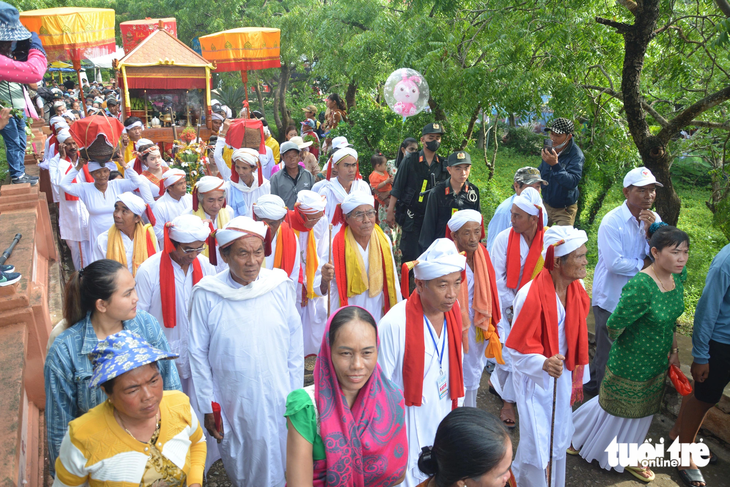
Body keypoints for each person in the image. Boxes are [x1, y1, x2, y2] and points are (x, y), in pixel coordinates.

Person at [189, 216, 303, 487]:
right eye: (243, 253)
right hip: (233, 399)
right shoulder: (207, 294)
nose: (252, 261)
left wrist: (295, 393)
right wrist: (208, 406)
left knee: (283, 455)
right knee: (244, 459)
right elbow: (197, 353)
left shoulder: (277, 285)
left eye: (258, 251)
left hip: (279, 393)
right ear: (225, 255)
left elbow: (294, 345)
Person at [571, 225, 689, 483]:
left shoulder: (677, 278)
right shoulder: (641, 286)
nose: (682, 258)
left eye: (686, 252)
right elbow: (614, 325)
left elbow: (671, 321)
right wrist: (632, 347)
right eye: (676, 252)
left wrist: (674, 350)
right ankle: (599, 446)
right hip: (631, 360)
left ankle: (610, 445)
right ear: (655, 252)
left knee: (643, 410)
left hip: (657, 360)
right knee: (617, 407)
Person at [44, 259, 181, 476]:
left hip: (155, 453)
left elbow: (172, 386)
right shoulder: (66, 350)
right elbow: (60, 424)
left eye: (134, 289)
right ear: (102, 304)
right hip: (103, 463)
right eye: (127, 294)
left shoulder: (146, 325)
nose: (136, 298)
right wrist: (65, 475)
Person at [53, 330, 206, 487]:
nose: (148, 395)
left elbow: (197, 443)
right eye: (132, 390)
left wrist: (194, 482)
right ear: (107, 392)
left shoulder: (179, 404)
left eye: (153, 380)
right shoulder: (82, 437)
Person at [505, 226, 590, 487]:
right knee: (536, 441)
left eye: (585, 255)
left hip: (563, 378)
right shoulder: (529, 295)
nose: (586, 261)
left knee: (558, 437)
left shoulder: (577, 290)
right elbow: (516, 350)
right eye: (579, 256)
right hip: (536, 381)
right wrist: (542, 363)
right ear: (557, 261)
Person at [285, 306, 408, 487]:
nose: (357, 365)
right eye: (345, 353)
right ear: (328, 351)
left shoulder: (392, 398)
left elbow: (398, 473)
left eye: (367, 353)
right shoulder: (307, 407)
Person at [135, 214, 220, 473]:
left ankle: (202, 465)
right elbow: (140, 319)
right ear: (172, 243)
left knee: (202, 405)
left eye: (198, 248)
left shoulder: (205, 265)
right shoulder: (149, 270)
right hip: (164, 356)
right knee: (168, 411)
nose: (193, 255)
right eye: (187, 249)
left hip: (198, 352)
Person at [378, 238, 466, 487]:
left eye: (456, 283)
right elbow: (379, 391)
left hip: (443, 410)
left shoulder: (454, 311)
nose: (451, 294)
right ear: (420, 284)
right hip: (407, 423)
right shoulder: (394, 323)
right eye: (442, 285)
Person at [585, 167, 662, 395]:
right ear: (626, 192)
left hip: (638, 301)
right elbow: (615, 263)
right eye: (642, 190)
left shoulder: (655, 219)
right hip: (612, 299)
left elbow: (665, 254)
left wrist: (651, 233)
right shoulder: (612, 222)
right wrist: (647, 265)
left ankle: (589, 387)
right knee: (608, 355)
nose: (649, 196)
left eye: (652, 190)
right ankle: (603, 404)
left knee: (625, 352)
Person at [669, 242, 730, 487]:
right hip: (722, 343)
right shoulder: (725, 262)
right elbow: (706, 309)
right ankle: (684, 456)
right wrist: (702, 355)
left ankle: (679, 436)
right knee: (705, 398)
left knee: (701, 393)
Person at [489, 186, 545, 429]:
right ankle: (508, 402)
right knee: (508, 354)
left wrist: (532, 308)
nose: (512, 220)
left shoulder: (548, 242)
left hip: (537, 309)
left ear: (534, 218)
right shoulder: (504, 239)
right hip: (507, 307)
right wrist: (513, 308)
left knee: (528, 354)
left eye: (517, 216)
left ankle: (507, 391)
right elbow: (497, 278)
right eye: (511, 214)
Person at [60, 118, 146, 266]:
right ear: (92, 175)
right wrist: (78, 167)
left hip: (119, 229)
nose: (103, 176)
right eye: (98, 173)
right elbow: (64, 185)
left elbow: (137, 182)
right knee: (102, 262)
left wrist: (123, 164)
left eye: (105, 171)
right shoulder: (85, 189)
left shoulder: (116, 185)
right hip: (96, 232)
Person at [446, 210, 503, 409]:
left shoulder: (482, 253)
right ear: (454, 236)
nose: (473, 238)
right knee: (455, 368)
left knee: (474, 367)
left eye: (477, 232)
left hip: (478, 322)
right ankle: (454, 410)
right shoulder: (448, 257)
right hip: (453, 323)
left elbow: (492, 289)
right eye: (467, 233)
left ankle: (469, 410)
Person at [331, 192, 402, 322]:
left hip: (377, 308)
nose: (366, 220)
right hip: (349, 311)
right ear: (347, 218)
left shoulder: (383, 240)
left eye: (370, 213)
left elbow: (392, 278)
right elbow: (328, 285)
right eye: (359, 215)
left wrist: (396, 311)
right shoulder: (336, 244)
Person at [386, 123, 449, 267]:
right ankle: (408, 288)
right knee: (410, 256)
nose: (434, 141)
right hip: (412, 217)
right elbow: (398, 187)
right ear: (422, 140)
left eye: (438, 138)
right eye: (431, 137)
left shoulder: (442, 164)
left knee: (430, 255)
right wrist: (390, 211)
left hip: (433, 218)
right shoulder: (410, 160)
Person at [0, 3, 46, 185]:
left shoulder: (8, 60)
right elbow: (34, 72)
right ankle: (17, 175)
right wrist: (35, 46)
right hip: (7, 110)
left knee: (20, 142)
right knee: (13, 143)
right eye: (8, 41)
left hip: (17, 109)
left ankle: (20, 173)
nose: (12, 44)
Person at [416, 408, 514, 487]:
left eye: (508, 467)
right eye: (500, 474)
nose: (508, 476)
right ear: (463, 482)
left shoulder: (500, 474)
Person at [288, 190, 334, 356]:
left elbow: (321, 252)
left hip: (313, 279)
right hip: (293, 280)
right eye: (311, 218)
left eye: (317, 217)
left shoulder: (321, 222)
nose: (314, 222)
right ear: (300, 213)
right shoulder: (287, 223)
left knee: (314, 323)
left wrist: (313, 281)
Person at [418, 151, 481, 253]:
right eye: (458, 168)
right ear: (449, 170)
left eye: (466, 168)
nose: (463, 172)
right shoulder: (437, 192)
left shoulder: (473, 192)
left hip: (466, 249)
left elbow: (477, 223)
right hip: (442, 250)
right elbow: (428, 227)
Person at [94, 192, 158, 275]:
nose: (117, 215)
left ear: (137, 218)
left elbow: (156, 266)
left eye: (124, 211)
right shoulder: (103, 240)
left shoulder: (149, 237)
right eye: (116, 209)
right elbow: (97, 272)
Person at [53, 129, 90, 270]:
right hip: (72, 213)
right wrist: (62, 160)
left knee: (90, 249)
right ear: (62, 146)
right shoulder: (56, 163)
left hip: (87, 209)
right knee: (77, 251)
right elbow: (59, 183)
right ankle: (81, 280)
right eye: (68, 144)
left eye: (74, 143)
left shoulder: (85, 159)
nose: (73, 147)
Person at [486, 167, 548, 253]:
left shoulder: (540, 209)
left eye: (537, 187)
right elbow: (494, 248)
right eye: (529, 187)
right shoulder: (504, 211)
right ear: (516, 186)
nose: (533, 192)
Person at [538, 118, 584, 226]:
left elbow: (572, 182)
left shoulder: (576, 155)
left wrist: (555, 165)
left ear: (569, 136)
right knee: (538, 237)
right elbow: (542, 171)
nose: (553, 138)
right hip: (546, 204)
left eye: (558, 136)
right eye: (551, 134)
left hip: (565, 209)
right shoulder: (550, 149)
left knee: (563, 241)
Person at [318, 146, 371, 232]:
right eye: (346, 166)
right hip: (334, 239)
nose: (351, 170)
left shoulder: (363, 187)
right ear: (335, 167)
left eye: (354, 165)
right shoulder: (327, 191)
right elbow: (321, 221)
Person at [214, 136, 270, 217]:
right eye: (237, 167)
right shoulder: (229, 187)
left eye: (244, 168)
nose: (240, 172)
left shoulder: (264, 186)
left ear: (254, 168)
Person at [253, 194, 302, 283]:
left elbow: (293, 275)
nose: (268, 228)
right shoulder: (246, 237)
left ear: (282, 219)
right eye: (263, 223)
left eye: (272, 224)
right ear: (256, 218)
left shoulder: (290, 238)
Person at [190, 175, 234, 273]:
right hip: (201, 268)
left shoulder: (228, 212)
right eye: (211, 200)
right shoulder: (190, 216)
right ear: (200, 199)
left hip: (225, 267)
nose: (216, 205)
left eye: (220, 199)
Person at [151, 169, 193, 245]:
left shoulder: (190, 199)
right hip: (171, 246)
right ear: (169, 188)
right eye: (180, 184)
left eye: (184, 182)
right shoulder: (159, 206)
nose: (184, 186)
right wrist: (178, 236)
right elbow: (157, 232)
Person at [270, 140, 316, 209]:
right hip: (285, 217)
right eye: (288, 156)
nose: (292, 159)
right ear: (282, 158)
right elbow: (273, 201)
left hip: (304, 217)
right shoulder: (276, 178)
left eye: (294, 156)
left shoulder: (307, 175)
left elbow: (313, 198)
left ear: (299, 156)